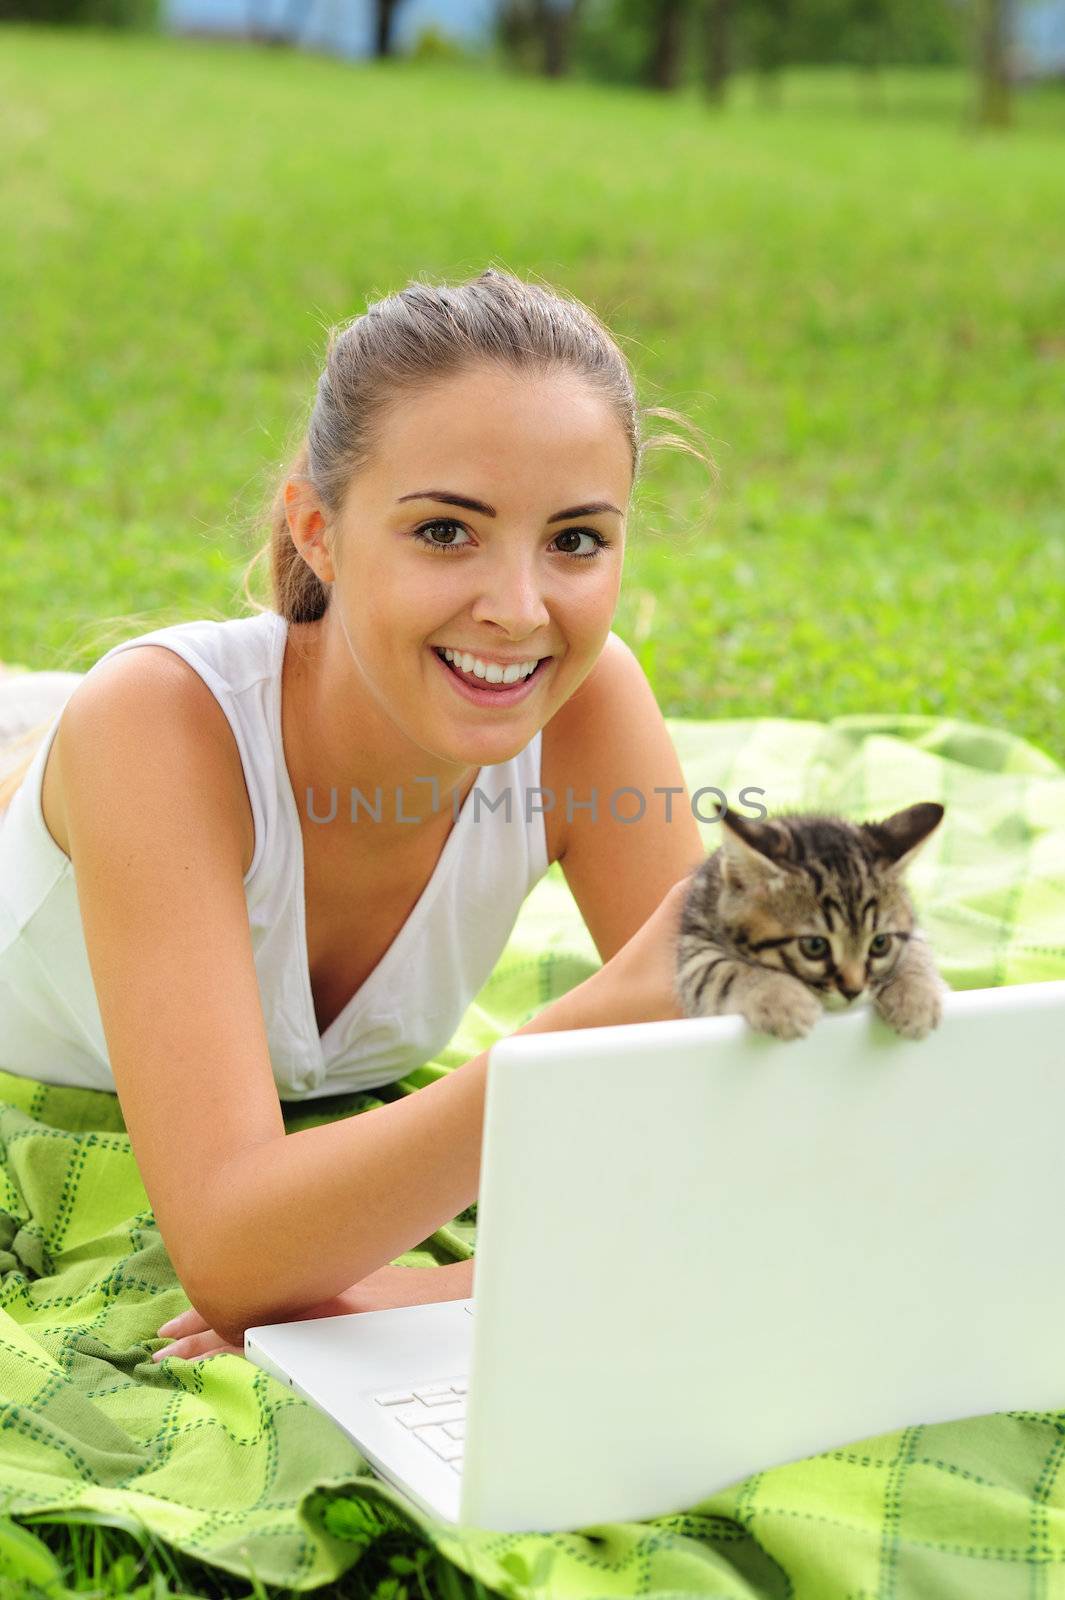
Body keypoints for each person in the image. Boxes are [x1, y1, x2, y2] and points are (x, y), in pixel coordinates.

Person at [0, 268, 709, 1361]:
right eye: (444, 531)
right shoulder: (157, 723)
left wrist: (414, 1296)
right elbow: (237, 1255)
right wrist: (590, 1027)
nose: (519, 611)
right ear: (318, 532)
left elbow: (761, 1146)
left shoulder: (590, 705)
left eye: (575, 540)